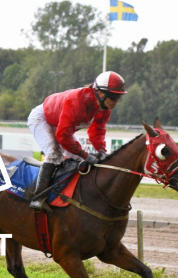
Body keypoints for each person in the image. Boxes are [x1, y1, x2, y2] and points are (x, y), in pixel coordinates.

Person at [26, 71, 127, 211]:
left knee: (78, 158)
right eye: (114, 96)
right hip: (42, 119)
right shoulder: (78, 102)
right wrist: (85, 155)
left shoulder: (104, 108)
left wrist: (101, 150)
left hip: (60, 123)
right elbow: (63, 136)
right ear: (100, 93)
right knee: (54, 154)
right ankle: (38, 197)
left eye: (119, 97)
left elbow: (97, 131)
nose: (117, 101)